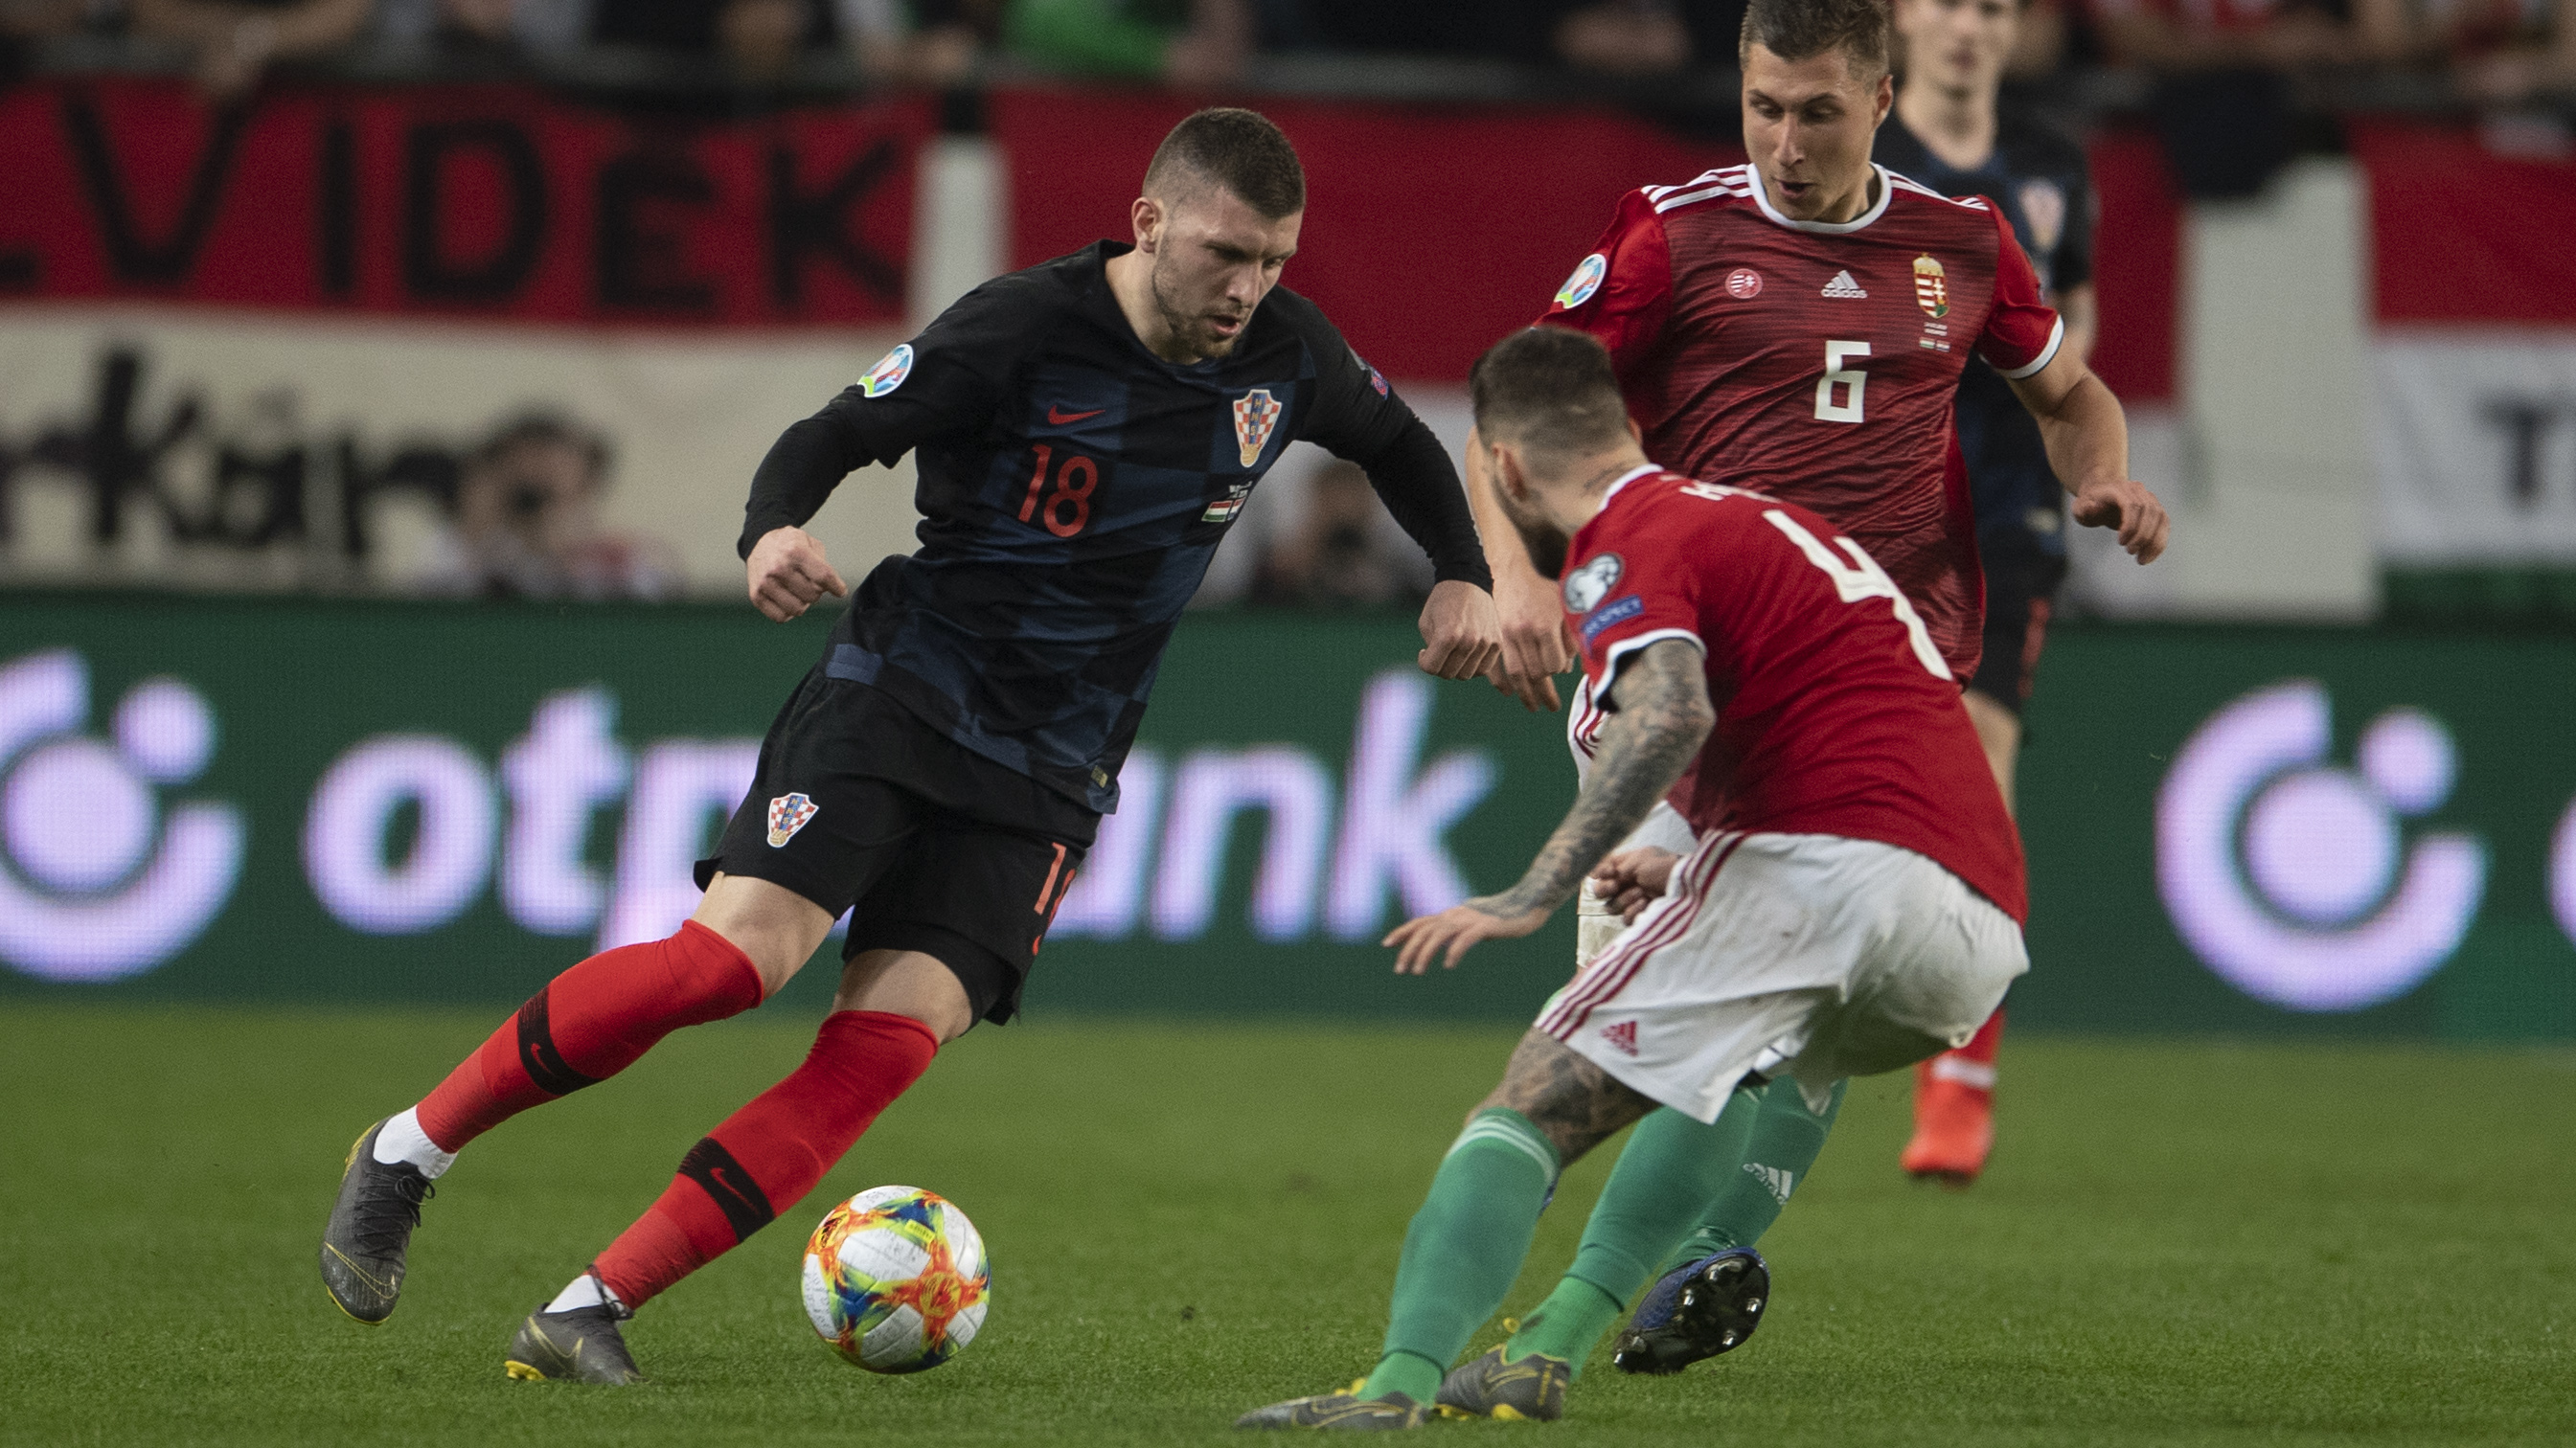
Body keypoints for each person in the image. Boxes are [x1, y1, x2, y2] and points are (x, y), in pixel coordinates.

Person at [318, 107, 1502, 1384]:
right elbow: (833, 433)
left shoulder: (1288, 354)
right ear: (1149, 222)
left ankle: (589, 1309)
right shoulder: (1022, 326)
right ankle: (405, 1152)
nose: (1247, 287)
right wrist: (773, 530)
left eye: (1271, 260)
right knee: (728, 967)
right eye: (1225, 253)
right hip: (904, 693)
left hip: (1053, 765)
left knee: (882, 1049)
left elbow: (1396, 440)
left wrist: (1462, 571)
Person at [1464, 0, 2166, 1377]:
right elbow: (1510, 405)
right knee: (1639, 1021)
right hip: (1683, 669)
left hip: (1868, 687)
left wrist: (2103, 477)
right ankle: (1596, 1273)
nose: (1785, 144)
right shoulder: (1672, 233)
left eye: (1819, 113)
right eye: (1763, 109)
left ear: (1880, 101)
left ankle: (1656, 1275)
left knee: (1803, 1008)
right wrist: (1518, 583)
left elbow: (2073, 397)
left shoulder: (1963, 245)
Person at [1239, 324, 2027, 1431]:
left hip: (1833, 879)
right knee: (1726, 1067)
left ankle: (1395, 1389)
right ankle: (1550, 1347)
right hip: (1972, 932)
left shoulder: (1626, 542)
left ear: (1506, 471)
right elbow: (1833, 733)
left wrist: (1531, 891)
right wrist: (1695, 861)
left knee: (1526, 1112)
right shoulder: (1777, 528)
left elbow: (1668, 712)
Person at [1873, 0, 2099, 1184]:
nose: (1967, 25)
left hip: (2004, 517)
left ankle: (1959, 1079)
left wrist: (2072, 431)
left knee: (1979, 771)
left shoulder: (2051, 163)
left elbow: (2075, 319)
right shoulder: (1860, 149)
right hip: (1867, 512)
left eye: (1993, 6)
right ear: (1900, 19)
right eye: (1945, 1)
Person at [417, 412, 682, 601]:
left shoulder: (621, 562)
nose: (538, 474)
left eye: (556, 468)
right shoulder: (464, 553)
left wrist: (566, 558)